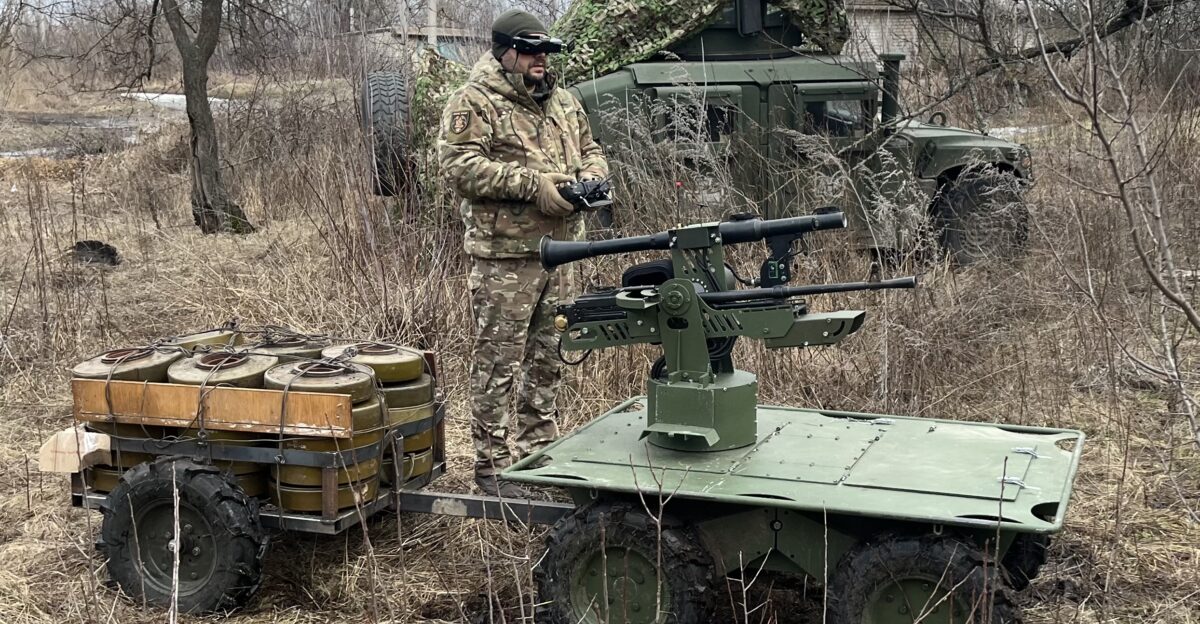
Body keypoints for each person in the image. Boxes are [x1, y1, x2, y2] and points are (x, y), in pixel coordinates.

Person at [437, 9, 609, 497]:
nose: (541, 59)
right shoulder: (475, 101)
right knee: (498, 361)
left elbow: (592, 147)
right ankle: (492, 469)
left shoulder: (565, 102)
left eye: (546, 50)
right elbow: (459, 167)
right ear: (505, 51)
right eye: (531, 50)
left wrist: (591, 178)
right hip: (506, 258)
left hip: (562, 252)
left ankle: (538, 454)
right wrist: (533, 186)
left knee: (550, 356)